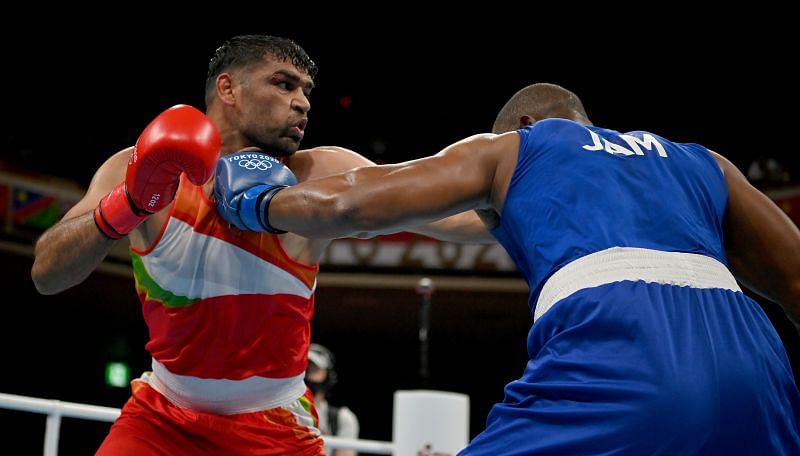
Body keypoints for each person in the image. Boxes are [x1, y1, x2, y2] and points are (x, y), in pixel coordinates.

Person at [223, 83, 800, 454]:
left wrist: (256, 202)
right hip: (755, 364)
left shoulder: (520, 147)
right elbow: (794, 280)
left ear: (525, 122)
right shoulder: (702, 162)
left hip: (624, 343)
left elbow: (355, 204)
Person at [30, 35, 491, 455]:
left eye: (307, 91)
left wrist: (527, 181)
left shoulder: (320, 172)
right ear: (228, 90)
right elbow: (46, 274)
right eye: (284, 84)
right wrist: (128, 202)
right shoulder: (139, 167)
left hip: (275, 429)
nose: (302, 103)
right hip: (161, 418)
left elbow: (458, 215)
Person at [305, 344, 359, 456]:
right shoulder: (279, 412)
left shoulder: (342, 419)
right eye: (303, 367)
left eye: (313, 368)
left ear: (328, 375)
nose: (307, 374)